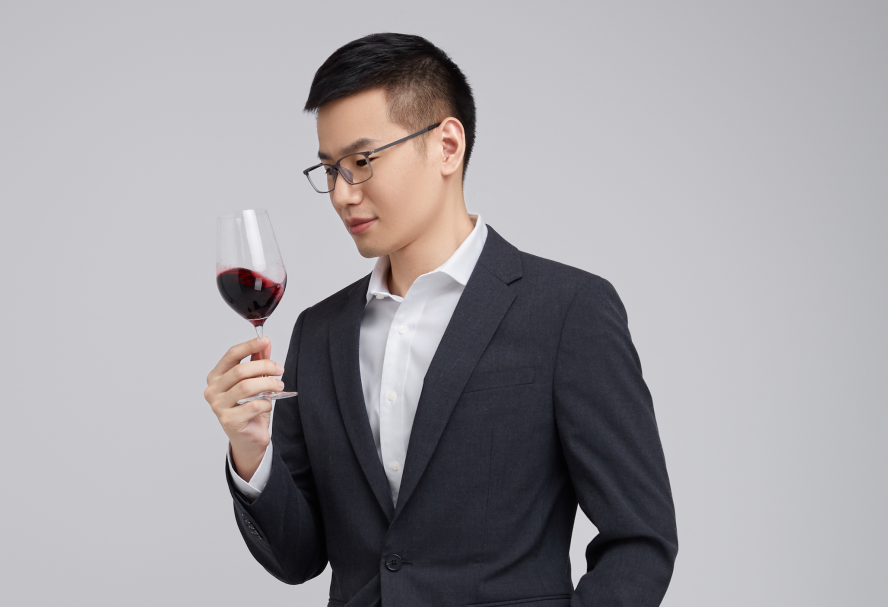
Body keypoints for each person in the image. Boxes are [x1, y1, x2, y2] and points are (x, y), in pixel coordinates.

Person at [204, 33, 677, 607]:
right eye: (329, 169)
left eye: (362, 162)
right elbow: (297, 557)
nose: (341, 195)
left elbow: (640, 541)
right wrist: (252, 451)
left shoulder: (567, 310)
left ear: (447, 146)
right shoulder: (319, 332)